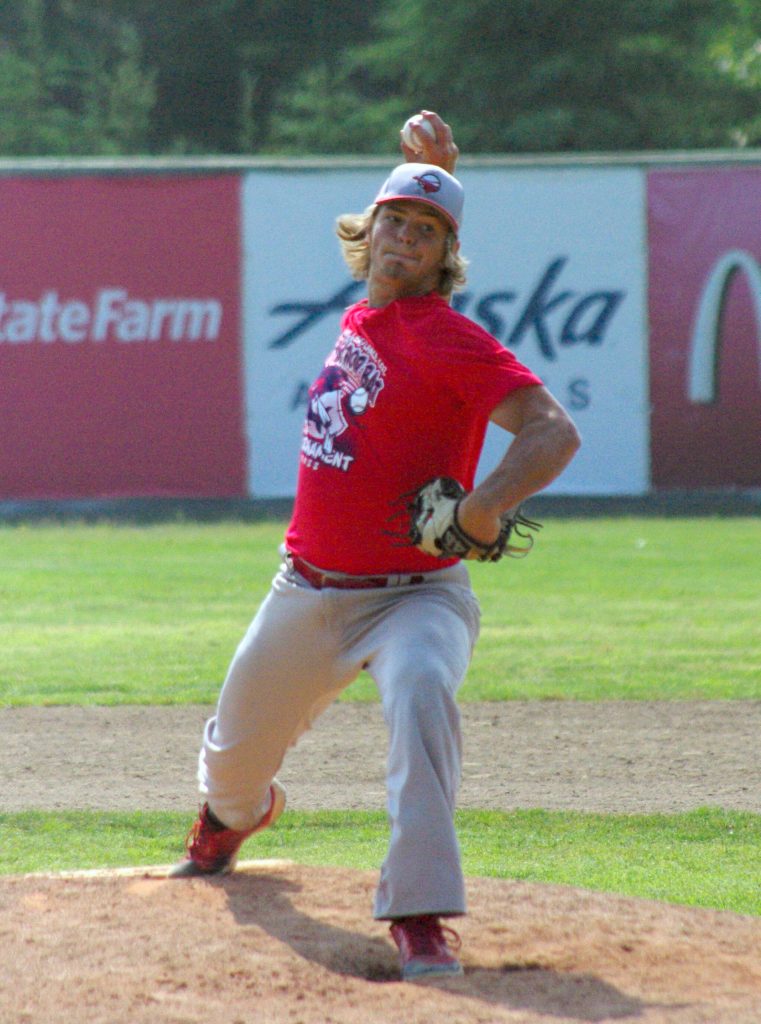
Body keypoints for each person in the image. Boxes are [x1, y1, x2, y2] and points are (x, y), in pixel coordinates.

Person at [170, 110, 581, 982]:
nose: (405, 238)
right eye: (395, 220)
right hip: (306, 589)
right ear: (370, 229)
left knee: (423, 691)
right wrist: (435, 176)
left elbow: (553, 431)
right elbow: (404, 247)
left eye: (426, 231)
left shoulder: (444, 335)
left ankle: (420, 913)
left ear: (444, 256)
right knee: (232, 768)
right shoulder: (366, 315)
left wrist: (484, 507)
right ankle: (235, 817)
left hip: (414, 596)